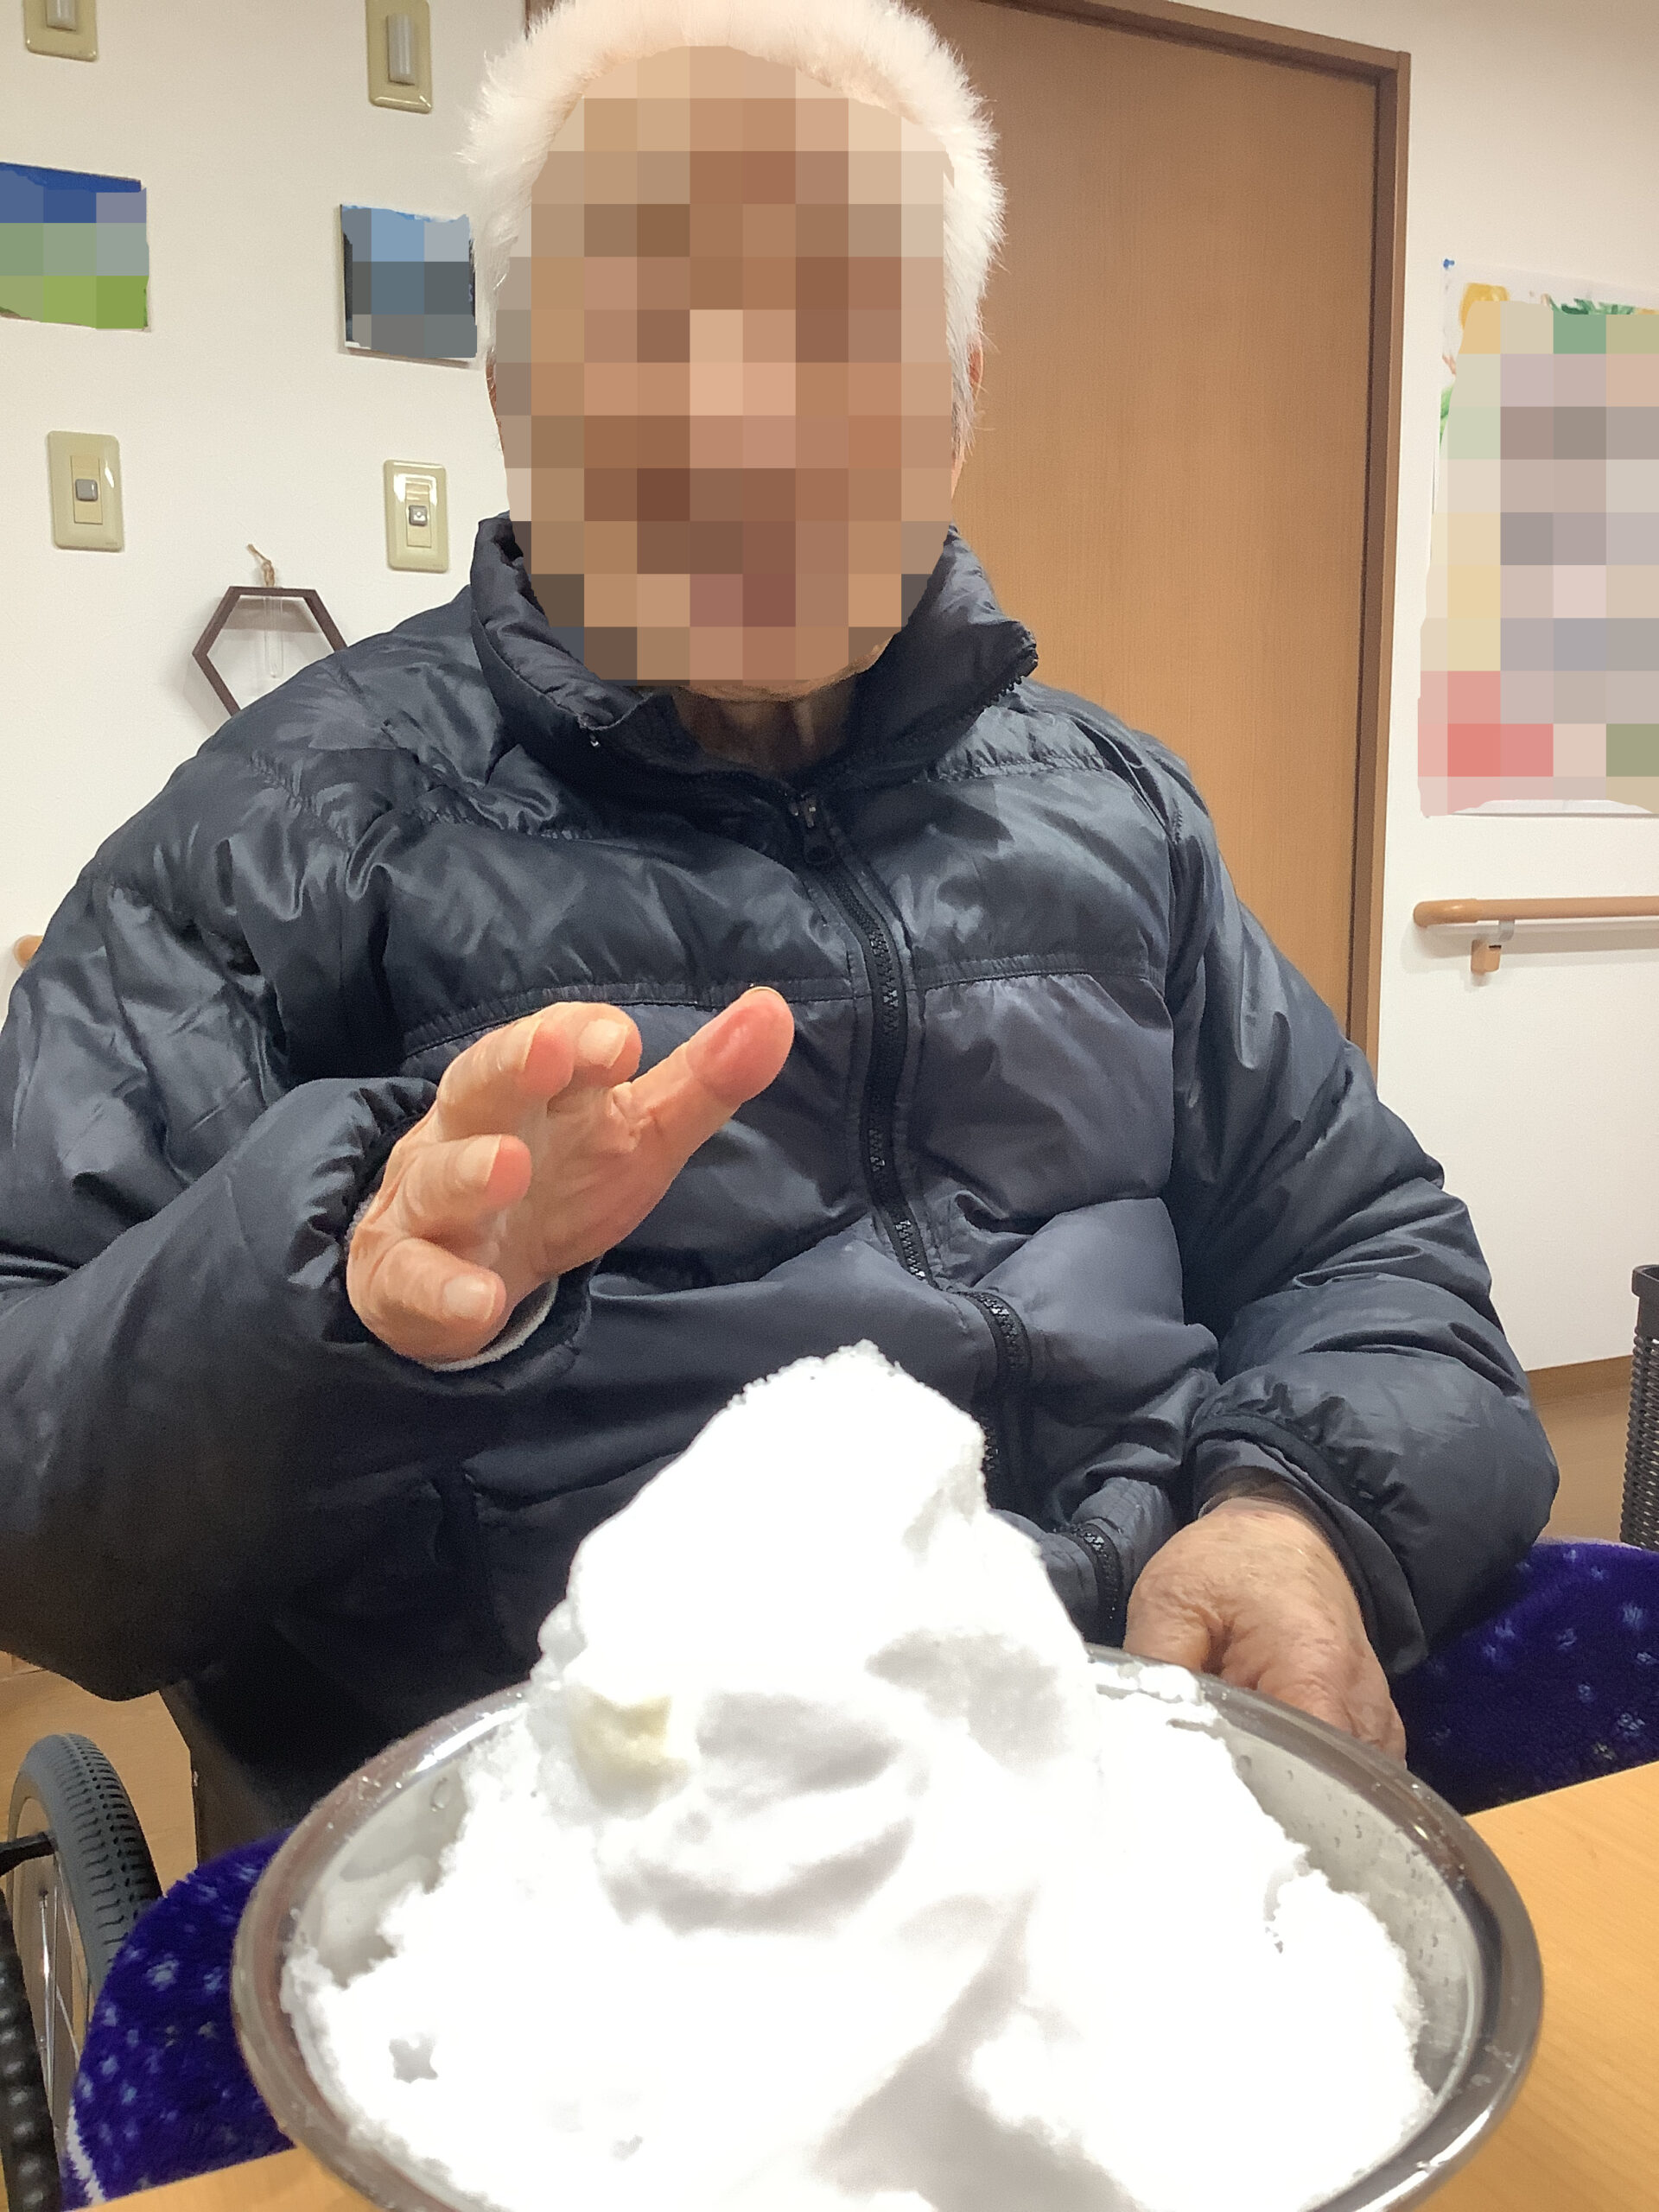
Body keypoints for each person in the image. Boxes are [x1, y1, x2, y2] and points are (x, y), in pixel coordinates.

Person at [0, 0, 1554, 1801]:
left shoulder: (1119, 813)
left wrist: (1293, 1512)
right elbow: (33, 1498)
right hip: (571, 1839)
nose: (744, 418)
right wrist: (337, 1296)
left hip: (1109, 1779)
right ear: (513, 392)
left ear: (959, 397)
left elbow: (1368, 1250)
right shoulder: (281, 834)